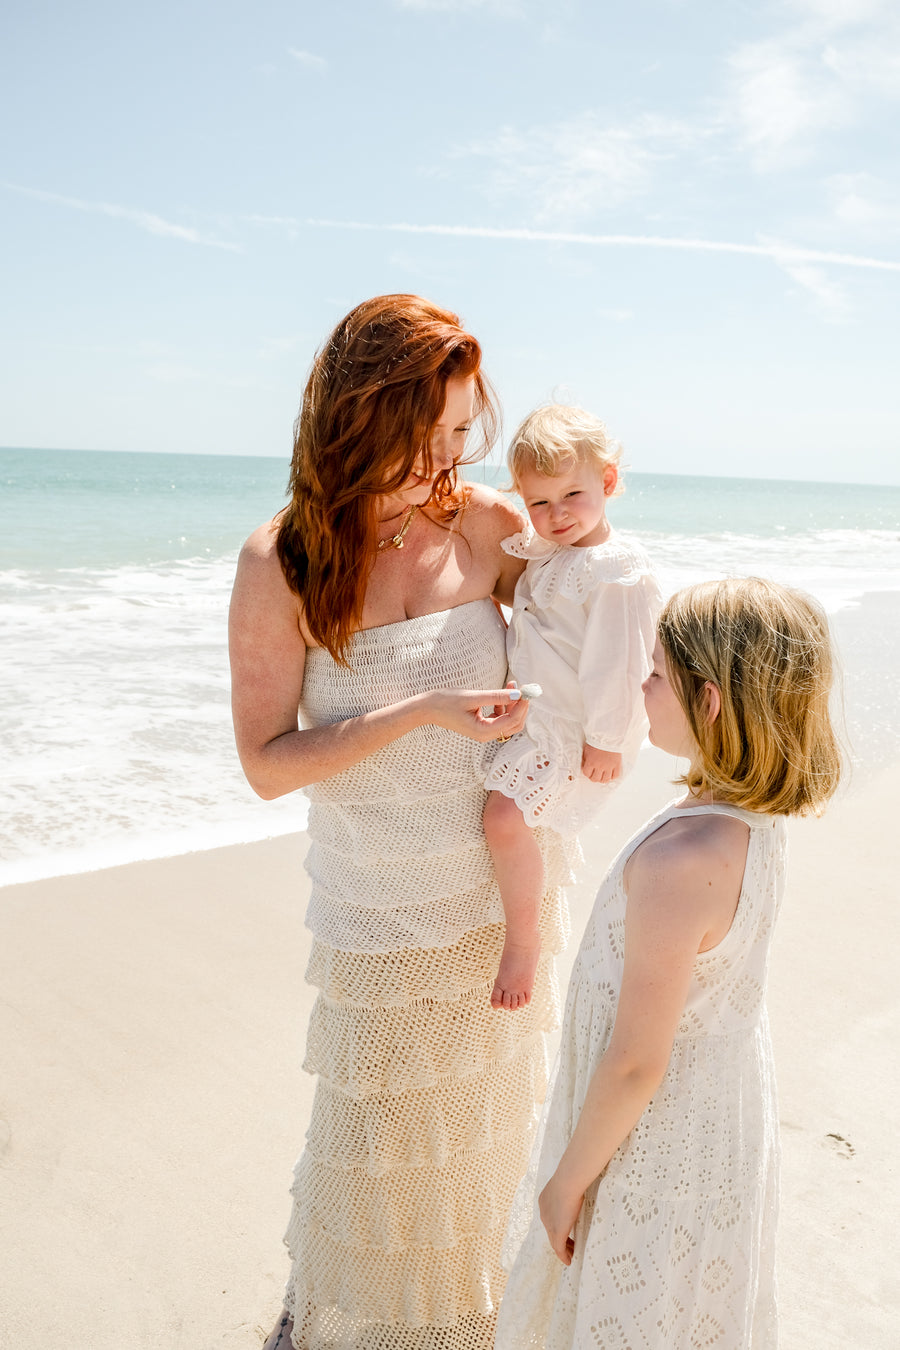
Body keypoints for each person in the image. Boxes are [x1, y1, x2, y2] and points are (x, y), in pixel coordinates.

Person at [228, 295, 571, 1350]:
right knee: (369, 1154)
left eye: (466, 432)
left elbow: (592, 606)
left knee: (482, 1145)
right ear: (360, 419)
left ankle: (467, 1329)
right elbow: (267, 767)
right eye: (432, 436)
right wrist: (419, 708)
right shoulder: (282, 560)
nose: (454, 458)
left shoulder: (481, 523)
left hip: (498, 908)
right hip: (377, 916)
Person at [494, 576, 843, 1349]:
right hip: (720, 1110)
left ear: (710, 702)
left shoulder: (684, 859)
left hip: (660, 1135)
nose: (640, 685)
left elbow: (635, 1063)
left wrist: (565, 1184)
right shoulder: (742, 819)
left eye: (655, 672)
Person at [483, 404, 661, 1011]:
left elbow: (620, 664)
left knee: (503, 820)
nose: (556, 515)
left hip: (575, 731)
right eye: (539, 503)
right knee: (501, 817)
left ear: (607, 483)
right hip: (540, 717)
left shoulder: (615, 570)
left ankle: (523, 943)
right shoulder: (555, 551)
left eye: (573, 495)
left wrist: (607, 741)